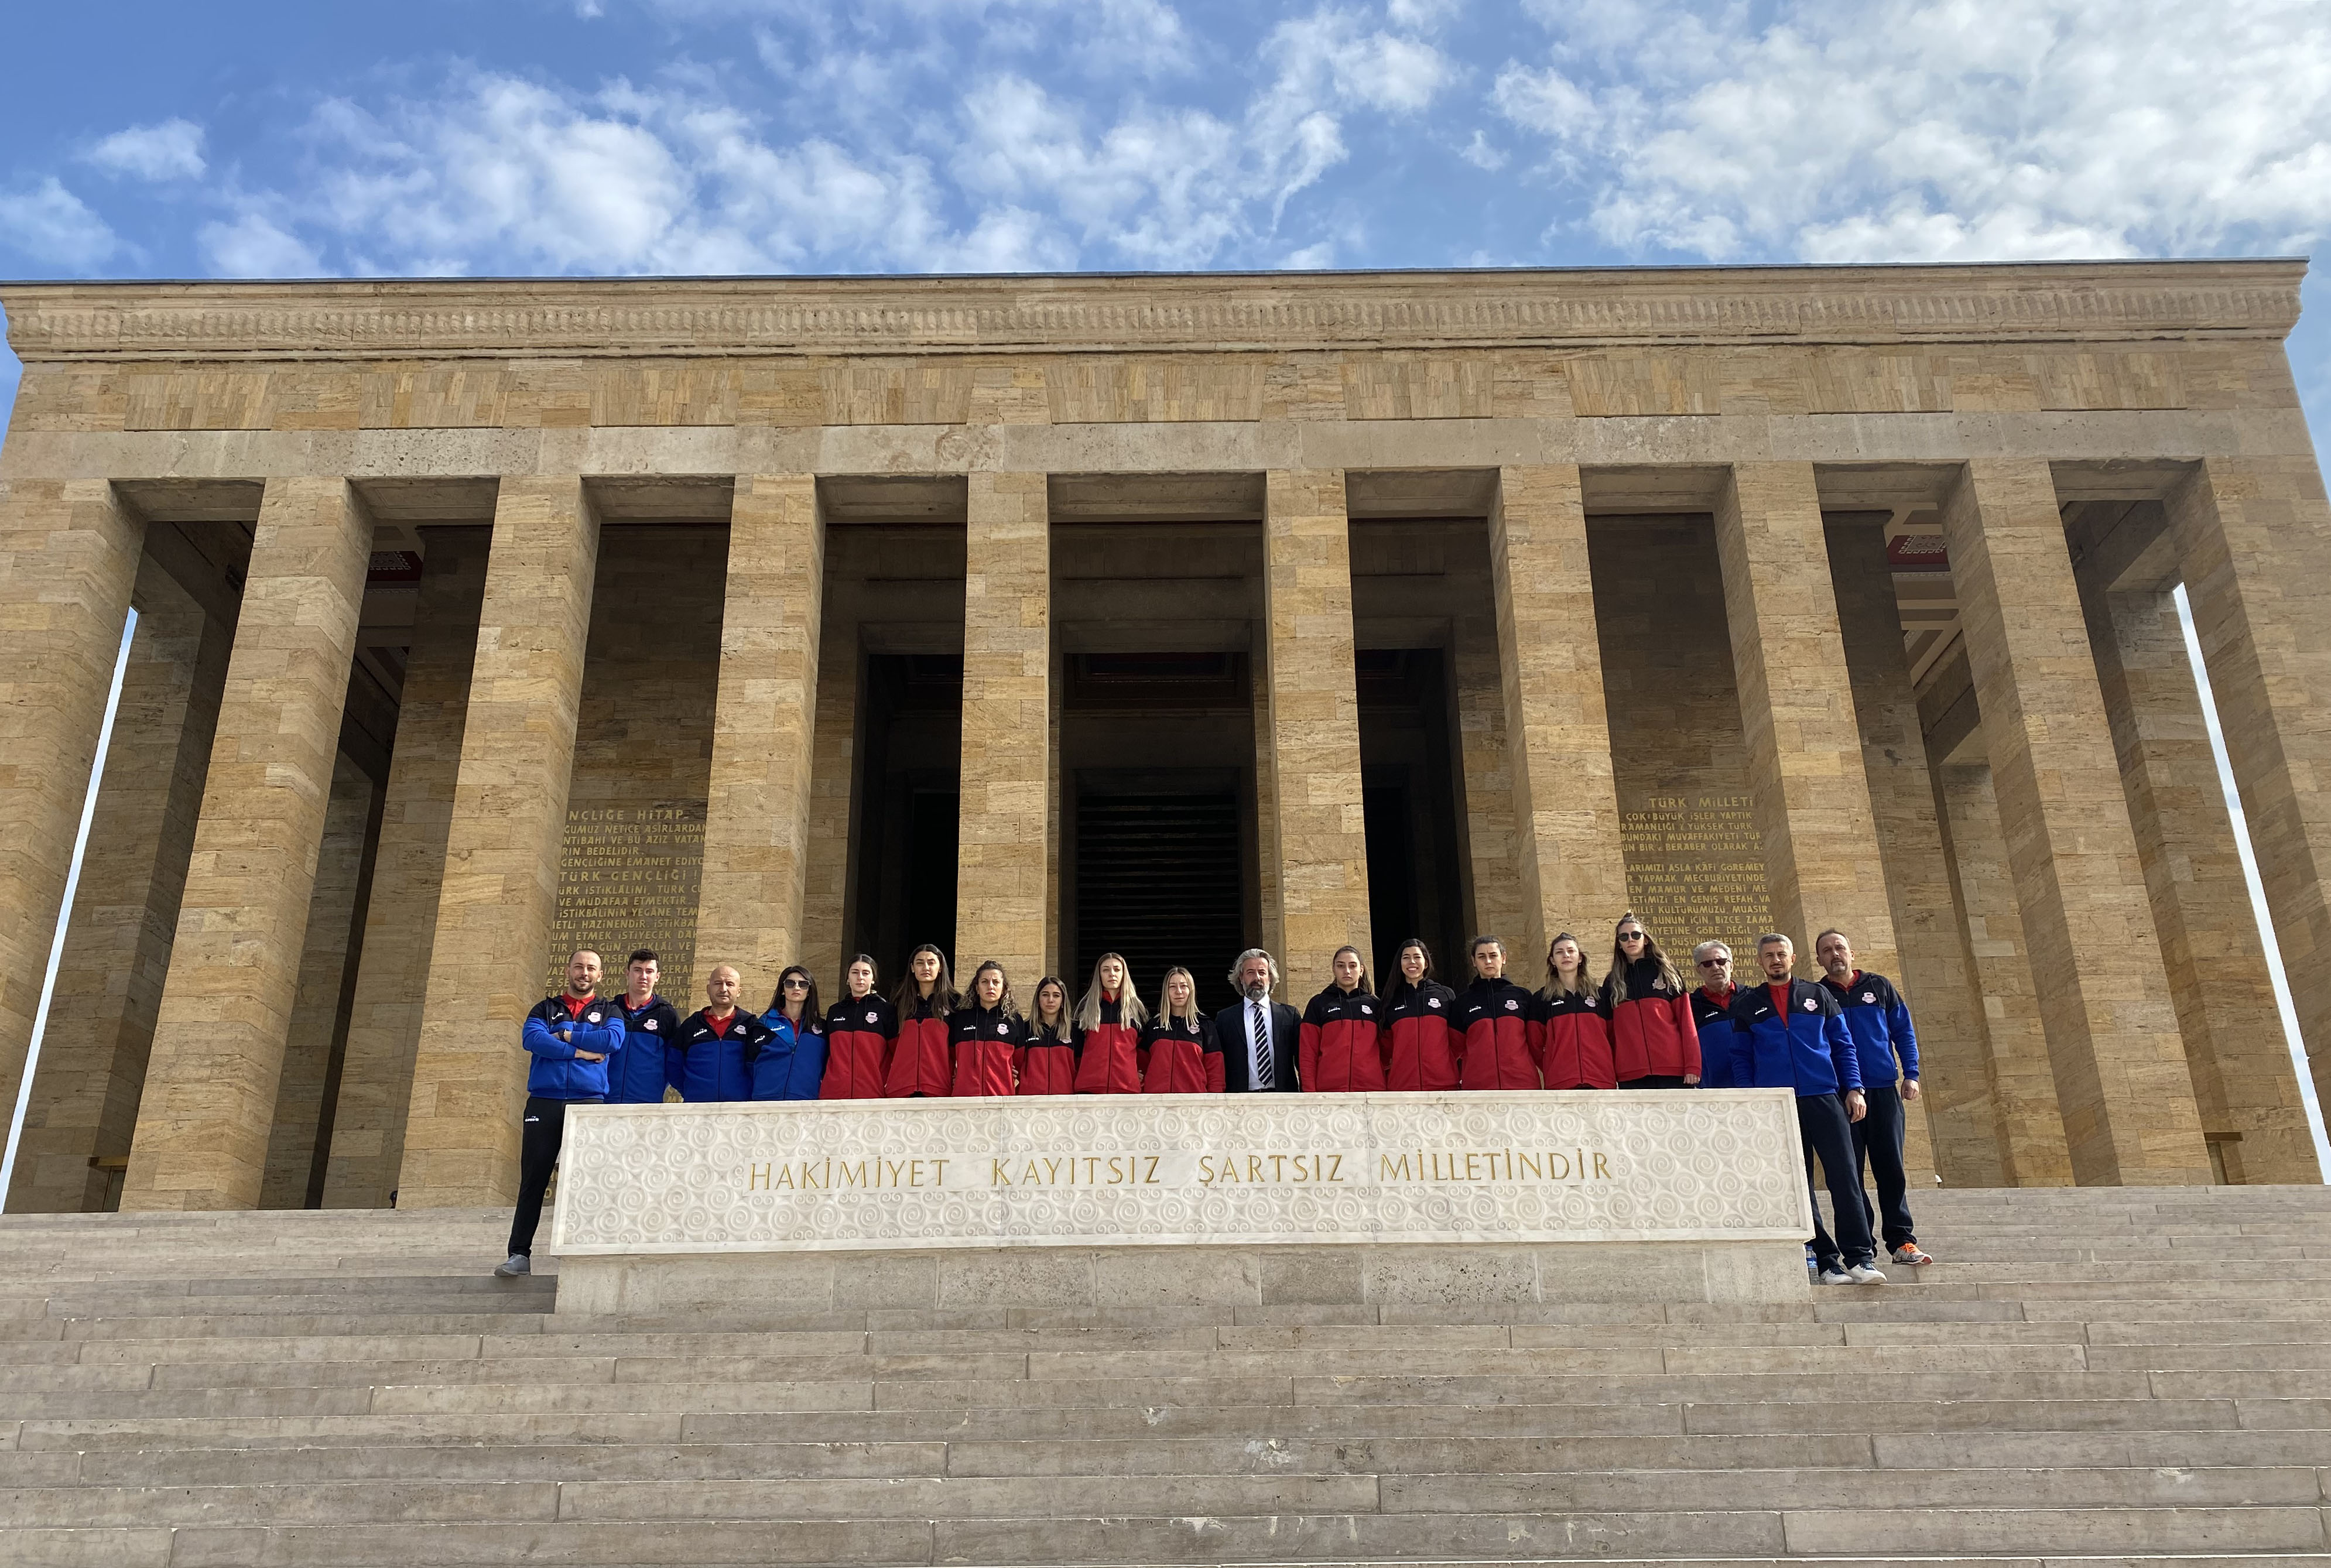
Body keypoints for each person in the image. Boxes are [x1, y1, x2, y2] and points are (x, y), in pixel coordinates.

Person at [1728, 933, 1884, 1286]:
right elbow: (1741, 1058)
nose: (1776, 960)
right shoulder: (1748, 1004)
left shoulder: (1819, 995)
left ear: (1793, 958)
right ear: (1760, 962)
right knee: (1799, 1184)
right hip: (1778, 1105)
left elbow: (1843, 1045)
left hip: (1825, 1096)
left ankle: (1860, 1258)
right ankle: (1827, 1260)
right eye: (1768, 956)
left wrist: (1855, 1089)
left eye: (1781, 954)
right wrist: (1753, 1101)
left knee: (1845, 1177)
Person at [497, 949, 625, 1278]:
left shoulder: (609, 1009)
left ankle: (589, 1255)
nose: (584, 973)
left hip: (589, 1103)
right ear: (568, 970)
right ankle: (519, 1255)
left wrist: (567, 1035)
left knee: (591, 1180)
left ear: (600, 975)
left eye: (591, 968)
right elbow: (533, 1040)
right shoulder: (545, 1007)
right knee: (534, 1180)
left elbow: (612, 1040)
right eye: (579, 967)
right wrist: (581, 1051)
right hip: (544, 1101)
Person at [1816, 929, 1933, 1267]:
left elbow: (1903, 1031)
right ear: (1820, 958)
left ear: (1851, 953)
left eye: (1840, 948)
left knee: (1891, 1168)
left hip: (1882, 1090)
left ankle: (1901, 1241)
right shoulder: (1818, 995)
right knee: (1849, 1173)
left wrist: (1911, 1074)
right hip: (1839, 1094)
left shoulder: (1879, 986)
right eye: (1827, 950)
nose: (1835, 954)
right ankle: (1862, 1246)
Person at [1600, 913, 1700, 1088]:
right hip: (1631, 1073)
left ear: (1645, 939)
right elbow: (1609, 1033)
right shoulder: (1612, 981)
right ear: (1619, 945)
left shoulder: (1667, 973)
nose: (1630, 940)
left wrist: (1692, 1065)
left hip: (1673, 1069)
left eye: (1636, 935)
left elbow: (1686, 1022)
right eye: (1624, 937)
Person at [673, 964, 775, 1102]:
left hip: (740, 1109)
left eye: (730, 984)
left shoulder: (752, 1025)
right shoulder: (691, 1025)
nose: (723, 989)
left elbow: (762, 1067)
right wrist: (691, 1091)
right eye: (718, 983)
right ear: (708, 989)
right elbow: (674, 1065)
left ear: (739, 991)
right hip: (697, 1110)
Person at [1456, 936, 1539, 1089]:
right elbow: (1455, 1047)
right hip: (1478, 1087)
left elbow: (1536, 1042)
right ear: (1474, 961)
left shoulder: (1523, 996)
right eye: (1482, 957)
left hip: (1522, 1084)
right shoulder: (1463, 1002)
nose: (1488, 961)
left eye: (1493, 956)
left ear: (1504, 958)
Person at [1301, 944, 1386, 1091]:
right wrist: (1310, 1092)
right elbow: (1308, 1052)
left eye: (1353, 966)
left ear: (1361, 970)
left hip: (1372, 1091)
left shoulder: (1376, 1005)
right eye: (1341, 966)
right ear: (1334, 969)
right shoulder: (1319, 1003)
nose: (1347, 971)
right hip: (1329, 1091)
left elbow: (1387, 1050)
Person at [1538, 932, 1616, 1090]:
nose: (1566, 955)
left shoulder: (1601, 995)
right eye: (1559, 952)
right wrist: (1552, 1065)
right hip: (1560, 1082)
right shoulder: (1542, 998)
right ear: (1553, 961)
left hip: (1601, 1079)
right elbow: (1535, 1043)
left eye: (1571, 951)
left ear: (1580, 958)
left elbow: (1614, 1036)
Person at [1214, 949, 1300, 1092]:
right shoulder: (1225, 1019)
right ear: (1241, 978)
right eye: (1250, 972)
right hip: (1239, 1100)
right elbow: (1216, 1064)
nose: (1257, 978)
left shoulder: (1289, 1016)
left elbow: (1302, 1060)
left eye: (1262, 972)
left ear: (1270, 978)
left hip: (1283, 1099)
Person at [1381, 937, 1459, 1091]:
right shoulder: (1390, 1000)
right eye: (1406, 958)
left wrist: (1442, 1063)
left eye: (1417, 957)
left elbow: (1457, 1042)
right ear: (1400, 964)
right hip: (1402, 1087)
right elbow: (1386, 1047)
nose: (1412, 962)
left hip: (1444, 1085)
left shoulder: (1445, 995)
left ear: (1426, 963)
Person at [885, 943, 959, 1097]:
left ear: (940, 968)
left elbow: (958, 1049)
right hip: (901, 1089)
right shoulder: (899, 1003)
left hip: (939, 1089)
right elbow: (891, 1047)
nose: (925, 967)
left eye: (931, 962)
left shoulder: (955, 1003)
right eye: (920, 963)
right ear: (912, 968)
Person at [607, 948, 680, 1105]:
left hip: (647, 1102)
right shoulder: (610, 1010)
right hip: (606, 1098)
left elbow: (673, 1061)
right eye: (638, 970)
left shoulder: (667, 1014)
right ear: (627, 973)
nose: (644, 976)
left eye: (649, 971)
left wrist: (656, 1087)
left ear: (657, 977)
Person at [820, 954, 896, 1099]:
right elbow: (827, 1052)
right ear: (848, 978)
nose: (860, 977)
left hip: (873, 1094)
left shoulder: (886, 1009)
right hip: (834, 1094)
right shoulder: (835, 1010)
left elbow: (896, 1053)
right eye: (855, 972)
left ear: (873, 979)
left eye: (866, 973)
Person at [1073, 952, 1148, 1094]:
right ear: (1099, 975)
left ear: (1124, 974)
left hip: (1127, 1090)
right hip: (1089, 1090)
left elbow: (1144, 1052)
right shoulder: (1085, 1007)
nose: (1112, 974)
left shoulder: (1137, 1009)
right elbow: (1076, 1050)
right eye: (1106, 970)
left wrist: (1136, 1074)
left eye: (1117, 969)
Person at [749, 965, 826, 1101]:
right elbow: (749, 1064)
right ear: (783, 990)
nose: (796, 988)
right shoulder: (763, 1024)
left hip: (807, 1102)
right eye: (790, 983)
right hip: (765, 1102)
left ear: (809, 992)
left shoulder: (822, 1028)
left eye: (803, 984)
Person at [949, 960, 1025, 1097]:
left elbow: (1020, 1061)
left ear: (1004, 988)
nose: (990, 986)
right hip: (964, 1098)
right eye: (984, 982)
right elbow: (951, 1055)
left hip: (1001, 1099)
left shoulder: (1014, 1020)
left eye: (996, 982)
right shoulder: (961, 1018)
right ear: (977, 988)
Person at [1142, 966, 1223, 1092]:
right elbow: (1141, 1066)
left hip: (1194, 1101)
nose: (1178, 991)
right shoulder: (1153, 1025)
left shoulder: (1205, 1025)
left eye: (1184, 986)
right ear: (1166, 991)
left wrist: (1214, 1101)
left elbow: (1215, 1069)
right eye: (1172, 987)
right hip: (1156, 1102)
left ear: (1191, 989)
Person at [1688, 941, 1741, 1090]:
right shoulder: (1690, 1006)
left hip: (1757, 1087)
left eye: (1721, 961)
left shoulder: (1752, 998)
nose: (1715, 967)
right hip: (1713, 1090)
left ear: (1731, 965)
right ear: (1698, 970)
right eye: (1707, 964)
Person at [1020, 976, 1077, 1095]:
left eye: (1056, 995)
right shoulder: (1024, 1029)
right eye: (1045, 995)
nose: (1050, 1000)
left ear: (1063, 1001)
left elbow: (1081, 1067)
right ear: (1038, 999)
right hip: (1030, 1101)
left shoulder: (1076, 1030)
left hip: (1066, 1101)